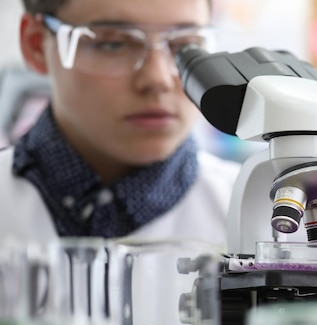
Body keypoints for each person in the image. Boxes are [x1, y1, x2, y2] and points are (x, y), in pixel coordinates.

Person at [0, 0, 240, 245]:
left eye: (185, 45)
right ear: (37, 44)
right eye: (113, 44)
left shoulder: (260, 217)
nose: (159, 79)